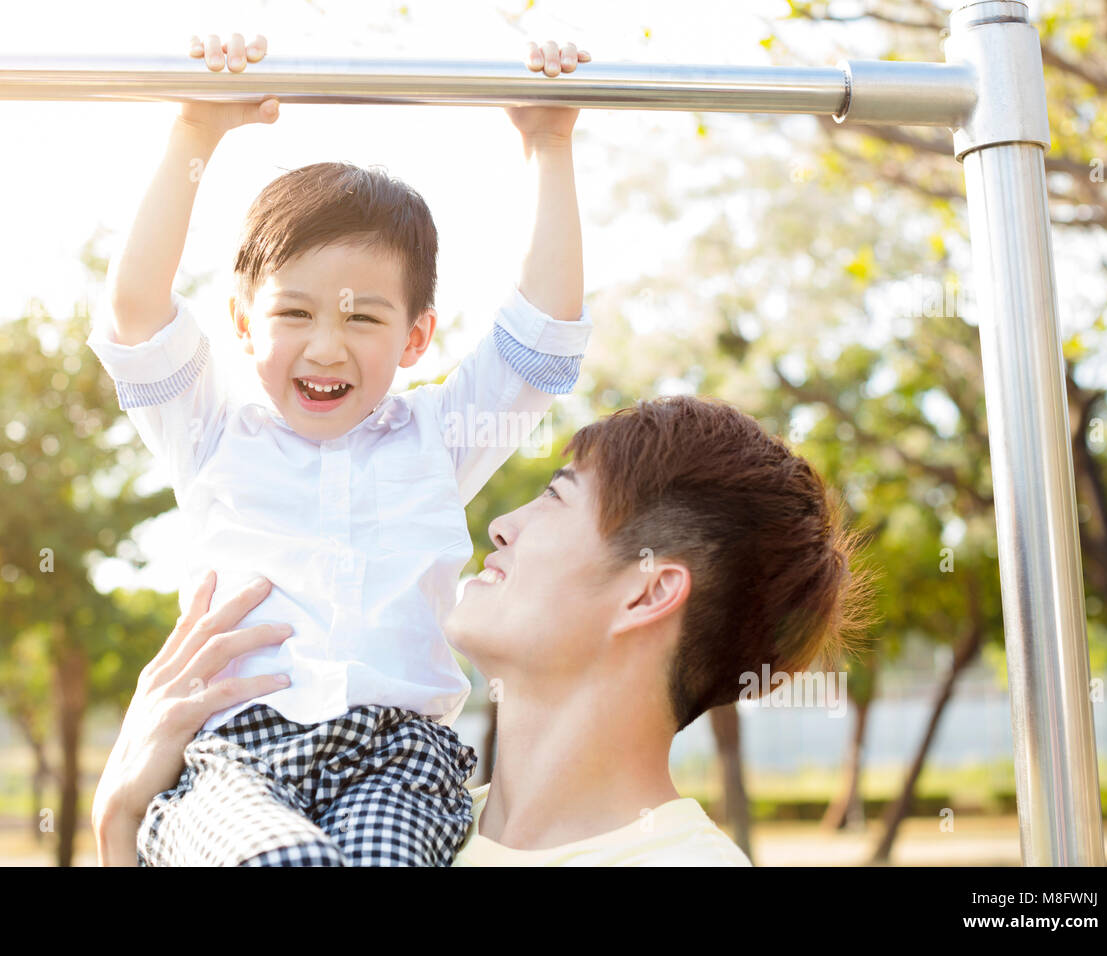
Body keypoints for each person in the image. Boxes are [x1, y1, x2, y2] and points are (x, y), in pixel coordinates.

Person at [84, 32, 594, 866]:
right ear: (244, 323)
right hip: (238, 760)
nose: (326, 348)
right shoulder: (212, 436)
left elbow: (543, 339)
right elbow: (135, 312)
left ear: (415, 338)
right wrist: (195, 130)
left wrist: (547, 142)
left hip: (398, 763)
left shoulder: (439, 438)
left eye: (362, 318)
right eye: (294, 314)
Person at [93, 394, 870, 865]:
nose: (500, 524)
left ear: (648, 591)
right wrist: (120, 826)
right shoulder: (399, 823)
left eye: (556, 499)